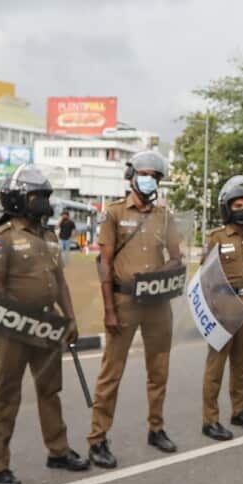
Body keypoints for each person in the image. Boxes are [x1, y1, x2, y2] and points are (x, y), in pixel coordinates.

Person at [0, 165, 90, 484]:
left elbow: (59, 282)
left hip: (47, 324)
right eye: (36, 196)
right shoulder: (0, 239)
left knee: (49, 389)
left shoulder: (50, 237)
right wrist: (23, 317)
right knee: (7, 395)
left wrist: (69, 318)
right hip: (14, 327)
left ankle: (57, 451)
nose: (43, 202)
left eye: (45, 196)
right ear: (17, 200)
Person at [86, 150, 183, 468]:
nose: (149, 180)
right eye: (144, 174)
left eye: (155, 176)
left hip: (157, 302)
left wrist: (166, 270)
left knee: (159, 370)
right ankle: (98, 439)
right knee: (111, 373)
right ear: (131, 177)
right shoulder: (113, 213)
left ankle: (156, 428)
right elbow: (105, 262)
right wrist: (109, 309)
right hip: (124, 301)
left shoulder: (165, 216)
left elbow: (176, 257)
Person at [200, 175, 243, 441]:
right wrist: (209, 309)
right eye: (237, 205)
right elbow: (205, 278)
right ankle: (210, 419)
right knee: (215, 367)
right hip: (222, 304)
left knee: (240, 365)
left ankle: (238, 411)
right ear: (228, 208)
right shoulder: (216, 237)